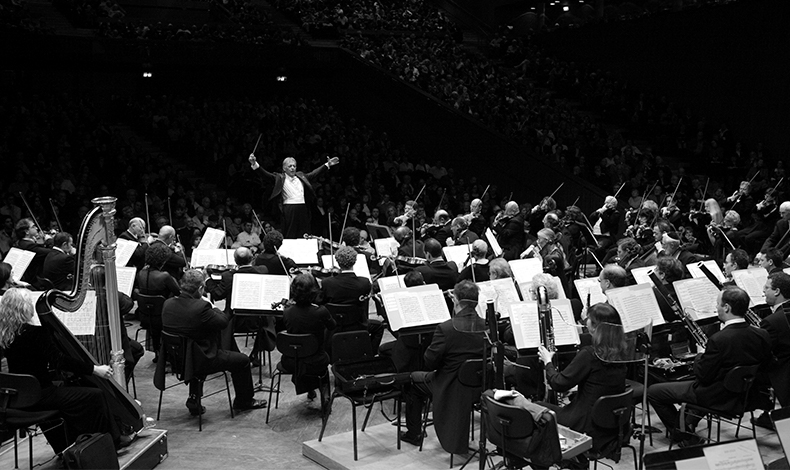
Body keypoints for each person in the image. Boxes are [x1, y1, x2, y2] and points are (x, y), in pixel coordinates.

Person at [0, 288, 134, 452]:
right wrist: (94, 369)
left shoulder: (5, 335)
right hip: (41, 395)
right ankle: (113, 441)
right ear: (25, 308)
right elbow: (59, 360)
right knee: (94, 394)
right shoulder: (36, 333)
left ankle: (70, 443)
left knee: (70, 389)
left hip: (16, 398)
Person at [647, 286, 772, 446]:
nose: (716, 307)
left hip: (717, 397)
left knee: (654, 392)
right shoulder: (762, 334)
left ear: (726, 307)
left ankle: (683, 434)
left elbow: (702, 375)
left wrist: (700, 354)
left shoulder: (719, 340)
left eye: (718, 304)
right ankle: (686, 423)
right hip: (747, 395)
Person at [159, 269, 266, 414]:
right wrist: (209, 303)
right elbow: (223, 322)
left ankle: (194, 397)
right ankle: (244, 401)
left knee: (197, 345)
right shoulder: (201, 307)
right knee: (242, 360)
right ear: (200, 289)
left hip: (176, 359)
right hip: (200, 360)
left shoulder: (168, 303)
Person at [401, 280, 486, 456]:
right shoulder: (487, 325)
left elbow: (430, 362)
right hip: (478, 386)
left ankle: (414, 433)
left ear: (456, 300)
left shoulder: (446, 328)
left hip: (451, 386)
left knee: (412, 379)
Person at [537, 302, 627, 453]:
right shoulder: (622, 351)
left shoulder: (590, 354)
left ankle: (550, 458)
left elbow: (558, 384)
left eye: (589, 320)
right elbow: (599, 381)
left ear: (595, 326)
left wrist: (548, 362)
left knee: (536, 408)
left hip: (585, 424)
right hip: (610, 424)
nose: (586, 323)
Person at [205, 247, 272, 364]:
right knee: (269, 320)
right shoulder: (263, 270)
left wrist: (207, 280)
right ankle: (255, 353)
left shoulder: (228, 276)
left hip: (234, 321)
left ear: (235, 261)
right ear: (252, 259)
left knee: (217, 319)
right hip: (258, 320)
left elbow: (217, 295)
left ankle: (235, 355)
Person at [248, 153, 339, 239]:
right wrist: (254, 163)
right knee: (290, 233)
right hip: (289, 208)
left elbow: (315, 173)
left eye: (294, 166)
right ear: (284, 168)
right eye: (290, 166)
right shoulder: (280, 178)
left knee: (304, 233)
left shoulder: (301, 176)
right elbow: (265, 175)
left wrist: (327, 164)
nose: (292, 168)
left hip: (303, 207)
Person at [319, 246, 384, 351]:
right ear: (355, 261)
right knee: (379, 327)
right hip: (357, 325)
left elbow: (322, 302)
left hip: (334, 326)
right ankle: (369, 353)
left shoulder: (327, 283)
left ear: (337, 261)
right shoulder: (364, 283)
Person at [283, 273, 336, 401]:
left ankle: (309, 389)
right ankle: (325, 395)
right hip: (316, 360)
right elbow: (332, 326)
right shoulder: (320, 311)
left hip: (292, 360)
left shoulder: (287, 311)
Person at [752, 272, 790, 428]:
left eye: (766, 288)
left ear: (777, 291)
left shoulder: (771, 321)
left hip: (782, 373)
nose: (763, 291)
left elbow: (762, 353)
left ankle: (768, 415)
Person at [134, 242, 180, 360]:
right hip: (163, 317)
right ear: (163, 260)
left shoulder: (141, 273)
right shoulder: (164, 276)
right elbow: (179, 293)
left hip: (146, 316)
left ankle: (158, 352)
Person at [14, 217, 51, 285]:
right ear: (27, 231)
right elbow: (51, 253)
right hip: (34, 281)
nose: (36, 228)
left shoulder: (20, 242)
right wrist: (49, 240)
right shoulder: (29, 246)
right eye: (33, 226)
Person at [588, 196, 620, 260]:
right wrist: (597, 212)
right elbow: (591, 218)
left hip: (606, 237)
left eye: (608, 203)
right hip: (595, 235)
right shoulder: (603, 211)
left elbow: (609, 223)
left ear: (613, 205)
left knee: (599, 248)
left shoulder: (615, 213)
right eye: (605, 203)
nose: (605, 205)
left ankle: (600, 264)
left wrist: (603, 213)